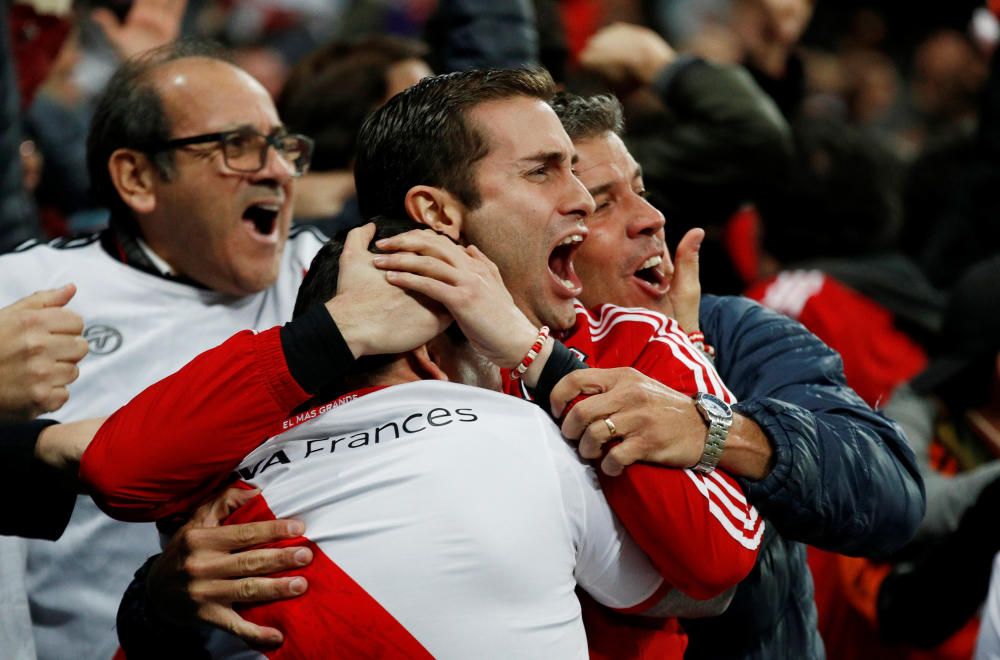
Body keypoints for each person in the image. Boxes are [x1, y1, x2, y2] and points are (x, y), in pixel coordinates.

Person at [87, 67, 764, 656]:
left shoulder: (635, 345)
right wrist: (339, 331)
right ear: (436, 212)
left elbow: (720, 571)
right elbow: (116, 475)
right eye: (543, 171)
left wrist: (537, 357)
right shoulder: (312, 375)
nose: (582, 198)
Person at [97, 223, 739, 657]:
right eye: (489, 330)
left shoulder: (226, 489)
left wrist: (149, 603)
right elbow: (705, 583)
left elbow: (112, 472)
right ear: (434, 355)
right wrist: (546, 364)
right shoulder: (527, 437)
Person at [0, 39, 446, 660]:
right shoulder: (23, 294)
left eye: (283, 147)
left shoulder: (334, 277)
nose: (275, 171)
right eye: (237, 147)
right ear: (137, 177)